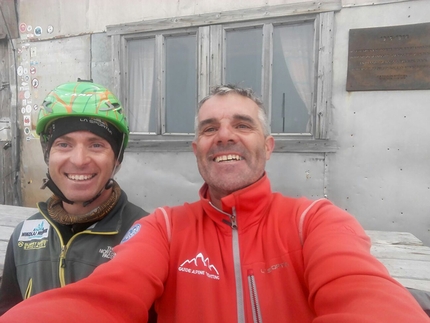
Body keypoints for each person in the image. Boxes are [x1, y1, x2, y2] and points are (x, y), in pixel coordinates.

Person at [0, 84, 429, 322]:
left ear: (269, 145)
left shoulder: (313, 220)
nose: (224, 135)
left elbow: (365, 295)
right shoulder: (164, 229)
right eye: (210, 128)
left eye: (241, 124)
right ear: (196, 148)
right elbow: (103, 298)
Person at [0, 80, 149, 314]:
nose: (79, 160)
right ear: (48, 155)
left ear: (117, 159)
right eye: (64, 144)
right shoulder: (23, 235)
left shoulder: (147, 236)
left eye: (97, 145)